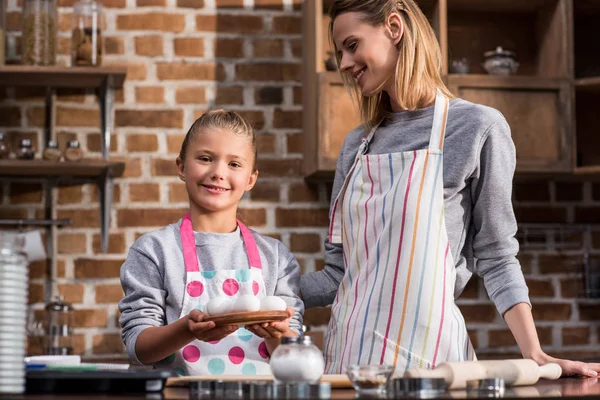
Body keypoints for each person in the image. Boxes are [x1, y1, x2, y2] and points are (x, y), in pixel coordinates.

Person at [300, 0, 600, 377]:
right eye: (339, 52)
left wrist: (535, 354)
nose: (344, 63)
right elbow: (338, 274)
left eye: (351, 45)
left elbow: (496, 254)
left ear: (394, 27)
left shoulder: (477, 127)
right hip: (348, 361)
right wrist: (269, 296)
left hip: (431, 362)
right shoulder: (356, 145)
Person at [119, 109, 304, 376]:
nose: (218, 172)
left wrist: (278, 334)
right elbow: (139, 347)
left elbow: (293, 355)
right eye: (205, 158)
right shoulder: (154, 251)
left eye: (234, 164)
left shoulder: (276, 257)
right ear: (181, 167)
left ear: (251, 179)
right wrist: (186, 330)